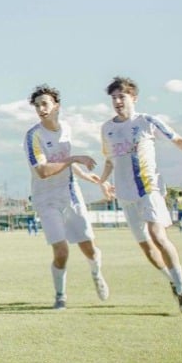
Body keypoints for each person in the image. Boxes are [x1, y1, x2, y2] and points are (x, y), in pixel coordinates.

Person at [99, 76, 182, 314]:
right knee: (147, 249)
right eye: (113, 98)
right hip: (125, 194)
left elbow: (178, 140)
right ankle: (173, 281)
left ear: (133, 98)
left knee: (158, 235)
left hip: (149, 188)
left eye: (121, 96)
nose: (117, 101)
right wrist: (103, 182)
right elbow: (109, 160)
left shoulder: (147, 121)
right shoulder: (107, 128)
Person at [24, 85, 109, 310]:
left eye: (45, 104)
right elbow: (43, 171)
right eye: (37, 105)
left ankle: (96, 273)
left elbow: (65, 163)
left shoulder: (66, 129)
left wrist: (87, 176)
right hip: (46, 199)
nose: (41, 109)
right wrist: (74, 159)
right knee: (61, 251)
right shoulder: (34, 136)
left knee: (89, 248)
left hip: (70, 194)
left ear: (56, 106)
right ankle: (60, 295)